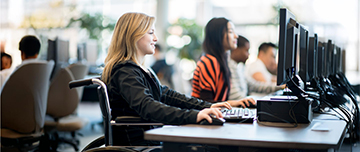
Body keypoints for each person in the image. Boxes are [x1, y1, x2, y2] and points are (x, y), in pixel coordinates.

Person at [102, 12, 234, 146]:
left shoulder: (140, 69)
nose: (156, 38)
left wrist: (206, 106)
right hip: (139, 143)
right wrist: (194, 116)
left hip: (150, 138)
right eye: (151, 33)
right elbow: (149, 107)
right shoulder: (125, 72)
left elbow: (167, 95)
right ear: (133, 36)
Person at [191, 17, 255, 108]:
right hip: (202, 116)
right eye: (230, 32)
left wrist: (235, 102)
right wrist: (233, 103)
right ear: (218, 35)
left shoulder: (222, 60)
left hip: (215, 114)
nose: (236, 36)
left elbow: (219, 100)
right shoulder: (209, 61)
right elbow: (205, 103)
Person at [228, 36, 284, 100]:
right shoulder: (230, 67)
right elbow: (236, 97)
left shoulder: (239, 68)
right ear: (236, 50)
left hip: (243, 102)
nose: (248, 54)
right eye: (246, 51)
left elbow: (254, 85)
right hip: (239, 104)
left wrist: (280, 86)